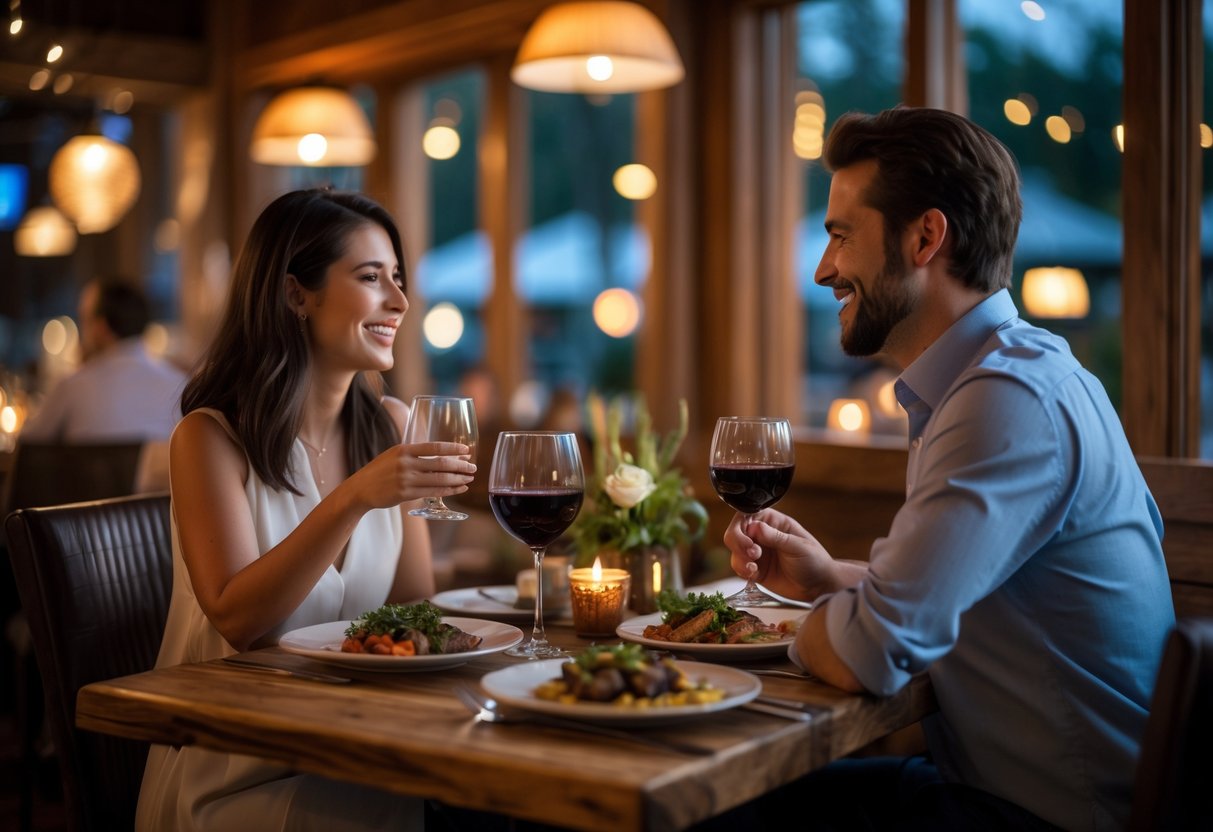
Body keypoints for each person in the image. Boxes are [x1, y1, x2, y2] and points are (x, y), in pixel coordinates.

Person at [717, 107, 1174, 831]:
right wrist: (828, 579)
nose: (822, 268)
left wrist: (768, 633)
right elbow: (972, 592)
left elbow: (872, 655)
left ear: (925, 237)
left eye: (841, 235)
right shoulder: (993, 379)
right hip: (987, 789)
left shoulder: (1005, 401)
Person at [136, 188, 476, 831]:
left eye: (398, 279)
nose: (399, 303)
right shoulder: (211, 437)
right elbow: (240, 618)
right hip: (236, 764)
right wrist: (353, 498)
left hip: (354, 746)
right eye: (371, 278)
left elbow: (415, 610)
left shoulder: (392, 425)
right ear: (296, 294)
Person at [21, 277, 186, 444]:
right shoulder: (179, 384)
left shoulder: (72, 386)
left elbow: (27, 444)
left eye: (85, 320)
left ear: (101, 327)